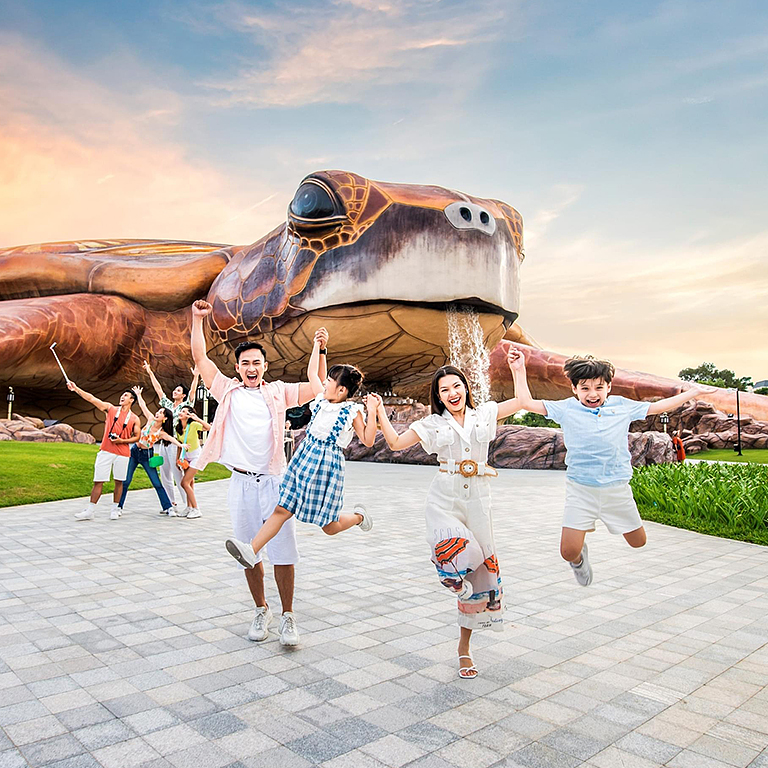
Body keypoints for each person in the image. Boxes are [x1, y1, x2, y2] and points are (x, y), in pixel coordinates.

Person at [374, 348, 527, 680]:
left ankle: (464, 649)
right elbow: (397, 443)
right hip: (444, 497)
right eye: (444, 390)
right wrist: (379, 412)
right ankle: (448, 573)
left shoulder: (483, 414)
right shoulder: (432, 423)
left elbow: (522, 401)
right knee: (457, 549)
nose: (452, 393)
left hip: (478, 500)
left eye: (456, 386)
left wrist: (518, 369)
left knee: (480, 576)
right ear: (438, 396)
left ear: (465, 388)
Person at [190, 298, 328, 647]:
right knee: (247, 552)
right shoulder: (227, 390)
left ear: (265, 366)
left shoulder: (279, 392)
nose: (251, 367)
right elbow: (200, 359)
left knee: (284, 552)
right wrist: (196, 319)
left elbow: (318, 387)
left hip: (274, 483)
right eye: (245, 363)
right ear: (237, 368)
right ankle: (260, 609)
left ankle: (288, 617)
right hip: (240, 483)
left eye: (256, 362)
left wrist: (320, 351)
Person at [514, 354, 712, 586]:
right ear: (574, 389)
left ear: (609, 386)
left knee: (639, 542)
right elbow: (526, 403)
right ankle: (579, 560)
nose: (592, 394)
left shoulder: (622, 406)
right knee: (568, 551)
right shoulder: (566, 409)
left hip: (617, 490)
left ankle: (608, 529)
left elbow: (657, 407)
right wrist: (518, 369)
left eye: (599, 387)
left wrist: (694, 392)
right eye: (585, 388)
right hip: (581, 490)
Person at [224, 340, 378, 569]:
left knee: (329, 526)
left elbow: (368, 439)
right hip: (303, 461)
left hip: (326, 469)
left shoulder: (351, 412)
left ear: (342, 390)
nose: (324, 383)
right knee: (282, 509)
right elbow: (312, 372)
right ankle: (251, 550)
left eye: (330, 381)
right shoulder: (320, 400)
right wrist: (319, 346)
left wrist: (373, 411)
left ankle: (359, 517)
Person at [67, 382, 141, 521]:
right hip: (106, 450)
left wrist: (122, 441)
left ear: (132, 400)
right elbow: (92, 399)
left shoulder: (134, 418)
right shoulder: (111, 409)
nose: (122, 397)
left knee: (119, 482)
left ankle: (115, 509)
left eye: (126, 395)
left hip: (123, 453)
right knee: (98, 481)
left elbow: (137, 436)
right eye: (122, 395)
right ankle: (90, 510)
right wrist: (76, 388)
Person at [116, 387, 187, 515]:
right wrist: (138, 395)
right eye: (158, 411)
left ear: (164, 418)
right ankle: (118, 507)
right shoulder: (150, 419)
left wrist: (181, 446)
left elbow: (171, 439)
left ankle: (168, 507)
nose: (157, 413)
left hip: (146, 455)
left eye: (160, 413)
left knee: (156, 483)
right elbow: (143, 406)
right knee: (126, 481)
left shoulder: (162, 433)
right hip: (134, 452)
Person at [142, 361, 199, 511]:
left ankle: (189, 505)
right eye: (175, 390)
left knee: (177, 474)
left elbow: (193, 392)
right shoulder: (166, 404)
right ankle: (170, 504)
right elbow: (159, 389)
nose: (175, 392)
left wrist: (196, 376)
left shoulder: (184, 406)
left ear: (183, 395)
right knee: (165, 474)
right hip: (162, 443)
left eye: (178, 390)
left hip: (175, 444)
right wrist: (150, 372)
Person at [175, 405, 211, 519]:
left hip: (196, 457)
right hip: (186, 457)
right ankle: (189, 507)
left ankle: (196, 509)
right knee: (189, 483)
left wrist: (197, 419)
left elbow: (209, 428)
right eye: (181, 410)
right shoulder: (178, 428)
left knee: (184, 483)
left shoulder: (194, 425)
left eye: (184, 411)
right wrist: (178, 459)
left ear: (189, 415)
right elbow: (179, 446)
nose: (181, 412)